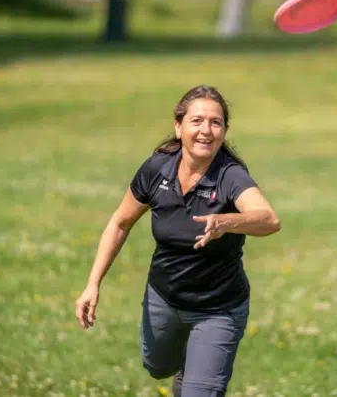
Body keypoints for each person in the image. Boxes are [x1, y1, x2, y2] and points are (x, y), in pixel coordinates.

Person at [74, 84, 281, 397]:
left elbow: (269, 220)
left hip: (219, 307)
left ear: (225, 130)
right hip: (164, 298)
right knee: (157, 366)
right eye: (197, 121)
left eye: (216, 122)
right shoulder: (157, 169)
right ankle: (193, 359)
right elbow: (120, 222)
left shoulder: (230, 175)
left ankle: (202, 361)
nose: (206, 131)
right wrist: (93, 283)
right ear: (178, 125)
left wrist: (226, 222)